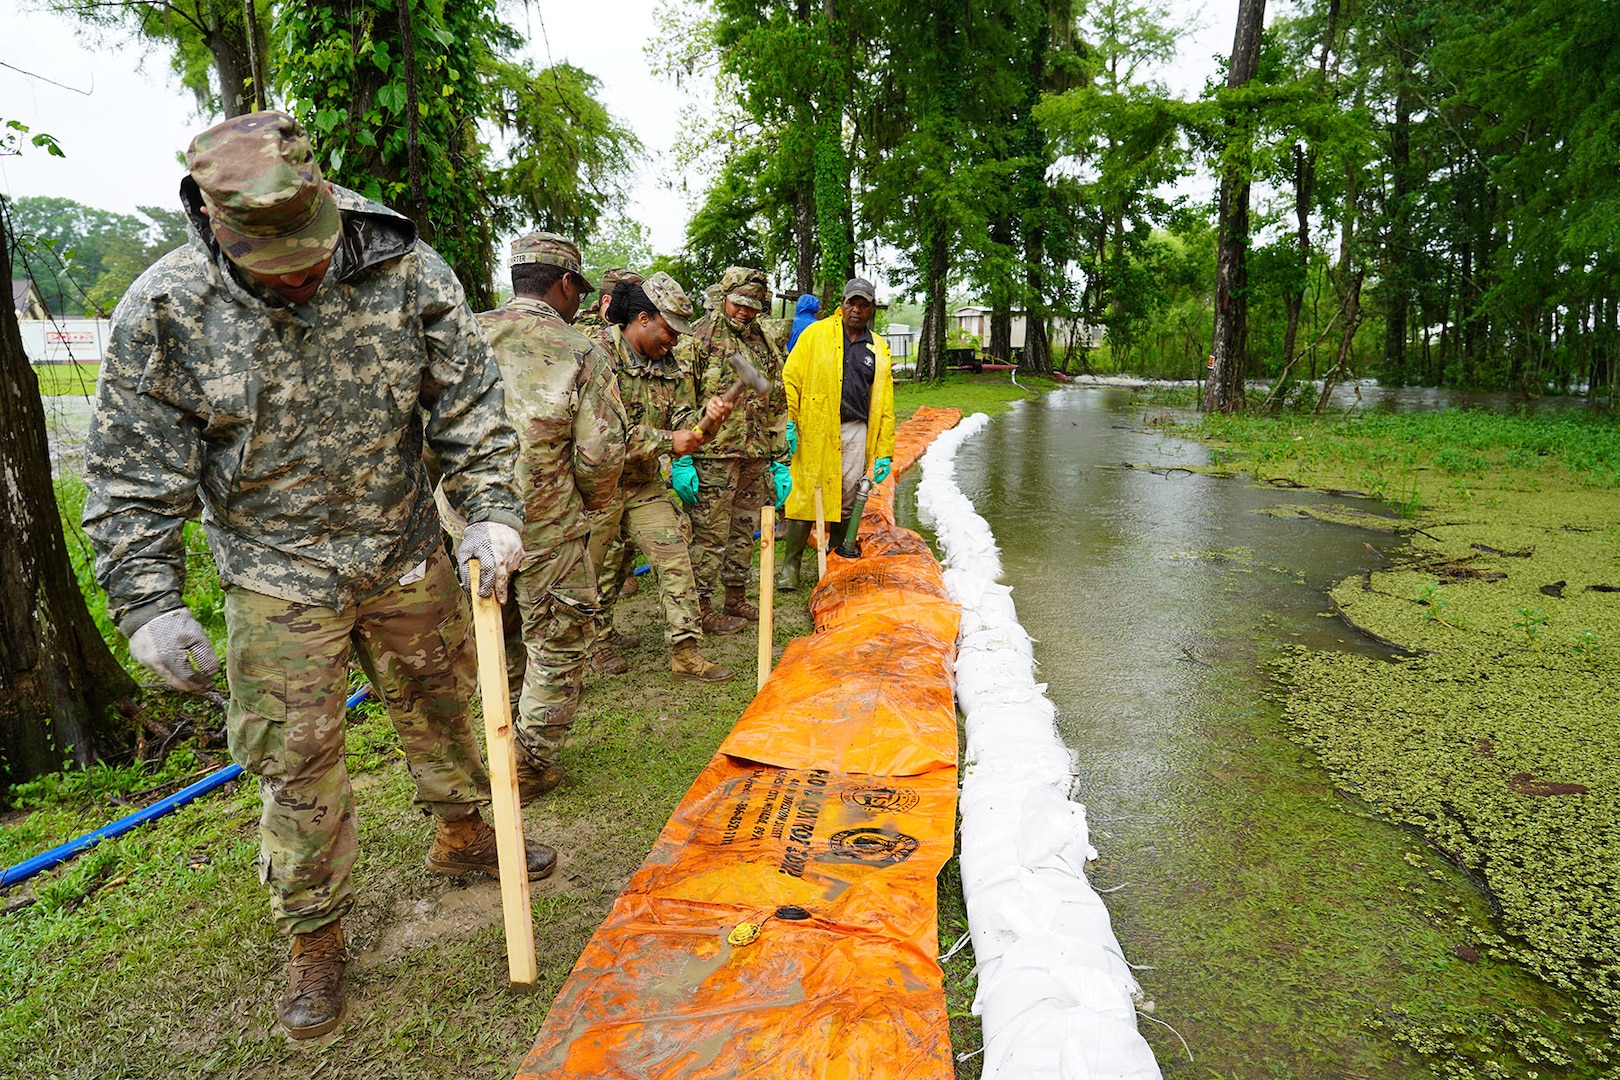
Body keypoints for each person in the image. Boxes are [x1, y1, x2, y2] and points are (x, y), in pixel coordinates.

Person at [81, 111, 552, 1041]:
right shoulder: (166, 309)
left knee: (448, 702)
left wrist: (491, 507)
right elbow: (134, 470)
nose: (299, 274)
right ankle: (315, 936)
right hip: (274, 571)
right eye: (274, 262)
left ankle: (465, 834)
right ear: (217, 228)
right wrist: (147, 602)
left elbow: (467, 400)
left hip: (405, 544)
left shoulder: (406, 268)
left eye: (309, 251)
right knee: (294, 759)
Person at [474, 232, 627, 802]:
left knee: (498, 630)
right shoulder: (580, 350)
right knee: (559, 640)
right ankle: (529, 759)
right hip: (546, 524)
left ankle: (502, 731)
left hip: (469, 529)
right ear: (565, 284)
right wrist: (588, 503)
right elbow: (601, 451)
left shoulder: (464, 333)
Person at [585, 274, 736, 682]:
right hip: (598, 486)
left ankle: (686, 653)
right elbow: (603, 436)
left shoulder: (670, 366)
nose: (672, 342)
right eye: (669, 331)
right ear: (643, 318)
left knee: (674, 560)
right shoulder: (596, 356)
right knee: (596, 571)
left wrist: (709, 420)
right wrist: (671, 440)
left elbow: (686, 422)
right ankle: (595, 644)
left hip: (644, 483)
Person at [676, 266, 790, 625]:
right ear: (724, 298)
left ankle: (735, 597)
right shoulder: (698, 338)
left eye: (752, 306)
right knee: (710, 534)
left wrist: (780, 456)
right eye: (739, 303)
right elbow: (680, 398)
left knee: (743, 530)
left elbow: (776, 400)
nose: (744, 311)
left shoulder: (764, 341)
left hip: (754, 454)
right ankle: (703, 607)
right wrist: (683, 459)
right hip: (712, 456)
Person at [777, 277, 895, 590]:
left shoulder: (879, 347)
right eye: (851, 303)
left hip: (856, 429)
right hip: (815, 426)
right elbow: (791, 378)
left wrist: (885, 451)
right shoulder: (816, 334)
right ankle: (791, 566)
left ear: (871, 309)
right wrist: (790, 419)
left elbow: (884, 404)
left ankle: (837, 559)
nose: (856, 309)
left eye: (863, 304)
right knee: (804, 492)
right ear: (841, 304)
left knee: (847, 495)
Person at [576, 267, 647, 608]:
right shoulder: (585, 340)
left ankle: (620, 582)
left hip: (631, 458)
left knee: (621, 543)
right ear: (608, 300)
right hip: (595, 464)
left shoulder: (631, 338)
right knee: (594, 553)